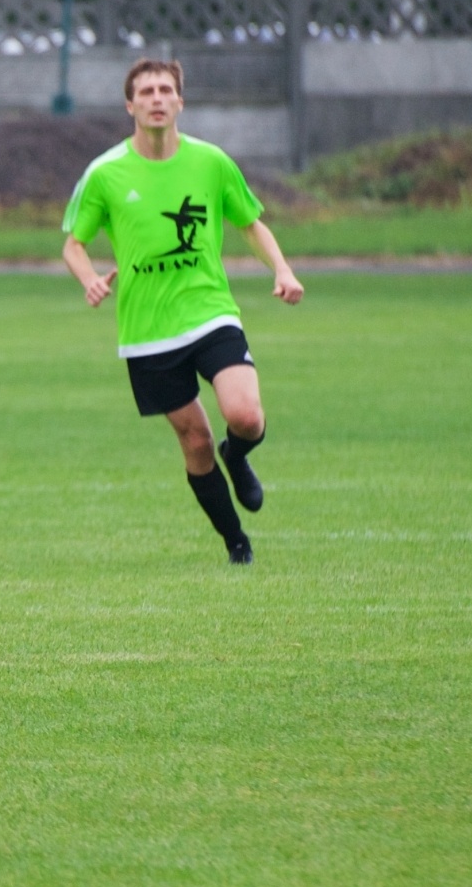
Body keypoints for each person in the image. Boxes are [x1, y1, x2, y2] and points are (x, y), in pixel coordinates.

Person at [62, 58, 304, 565]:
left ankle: (237, 453)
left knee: (245, 415)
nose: (156, 98)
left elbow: (250, 222)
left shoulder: (211, 162)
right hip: (148, 331)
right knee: (195, 441)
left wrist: (282, 269)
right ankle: (236, 541)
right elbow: (73, 244)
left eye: (165, 89)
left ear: (180, 102)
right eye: (146, 91)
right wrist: (89, 280)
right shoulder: (105, 173)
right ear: (130, 105)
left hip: (209, 310)